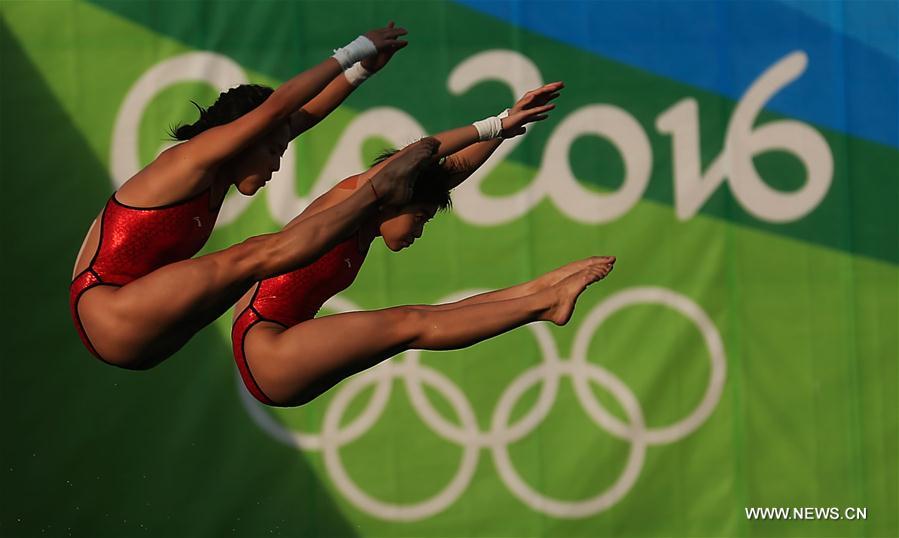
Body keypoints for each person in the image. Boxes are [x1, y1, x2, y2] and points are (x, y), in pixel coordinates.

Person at [231, 82, 617, 406]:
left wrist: (505, 130)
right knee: (410, 322)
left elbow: (444, 175)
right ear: (397, 195)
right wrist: (494, 124)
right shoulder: (350, 198)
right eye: (420, 218)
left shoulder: (369, 219)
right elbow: (416, 158)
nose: (418, 232)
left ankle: (539, 292)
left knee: (424, 316)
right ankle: (543, 303)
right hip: (266, 346)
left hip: (287, 350)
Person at [69, 23, 420, 370]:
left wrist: (360, 72)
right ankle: (377, 191)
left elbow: (294, 119)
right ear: (245, 137)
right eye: (273, 152)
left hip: (146, 334)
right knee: (255, 254)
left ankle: (374, 192)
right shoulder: (191, 160)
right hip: (108, 309)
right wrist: (356, 49)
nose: (277, 165)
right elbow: (277, 109)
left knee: (247, 269)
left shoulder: (221, 170)